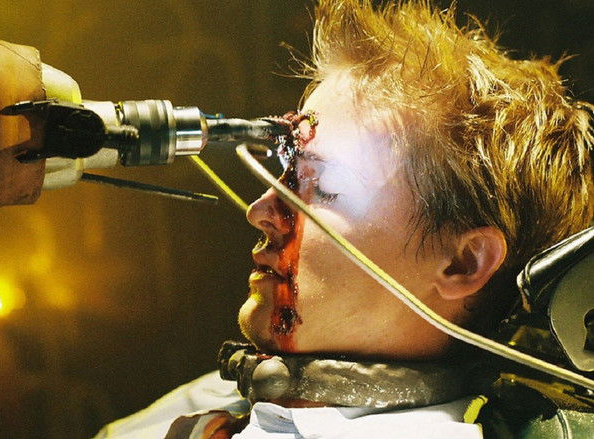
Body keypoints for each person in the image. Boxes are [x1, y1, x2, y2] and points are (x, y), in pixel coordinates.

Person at [96, 0, 594, 437]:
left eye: (326, 187)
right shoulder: (183, 414)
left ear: (462, 263)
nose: (260, 211)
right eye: (287, 171)